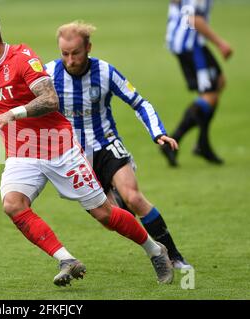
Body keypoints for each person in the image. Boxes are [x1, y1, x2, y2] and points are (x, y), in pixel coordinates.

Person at [0, 11, 174, 286]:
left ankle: (156, 251)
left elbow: (50, 99)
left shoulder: (22, 58)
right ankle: (67, 260)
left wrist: (13, 114)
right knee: (13, 205)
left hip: (57, 146)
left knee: (104, 214)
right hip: (22, 150)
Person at [45, 21, 192, 269]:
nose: (70, 60)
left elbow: (140, 103)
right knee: (109, 218)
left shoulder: (105, 72)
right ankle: (155, 246)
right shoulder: (48, 74)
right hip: (74, 156)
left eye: (76, 53)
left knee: (134, 197)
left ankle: (176, 257)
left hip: (107, 144)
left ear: (88, 47)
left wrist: (158, 133)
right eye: (65, 54)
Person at [161, 0, 233, 166]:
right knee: (209, 94)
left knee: (218, 83)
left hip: (185, 42)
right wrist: (221, 44)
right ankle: (175, 142)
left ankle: (202, 143)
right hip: (190, 45)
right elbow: (194, 19)